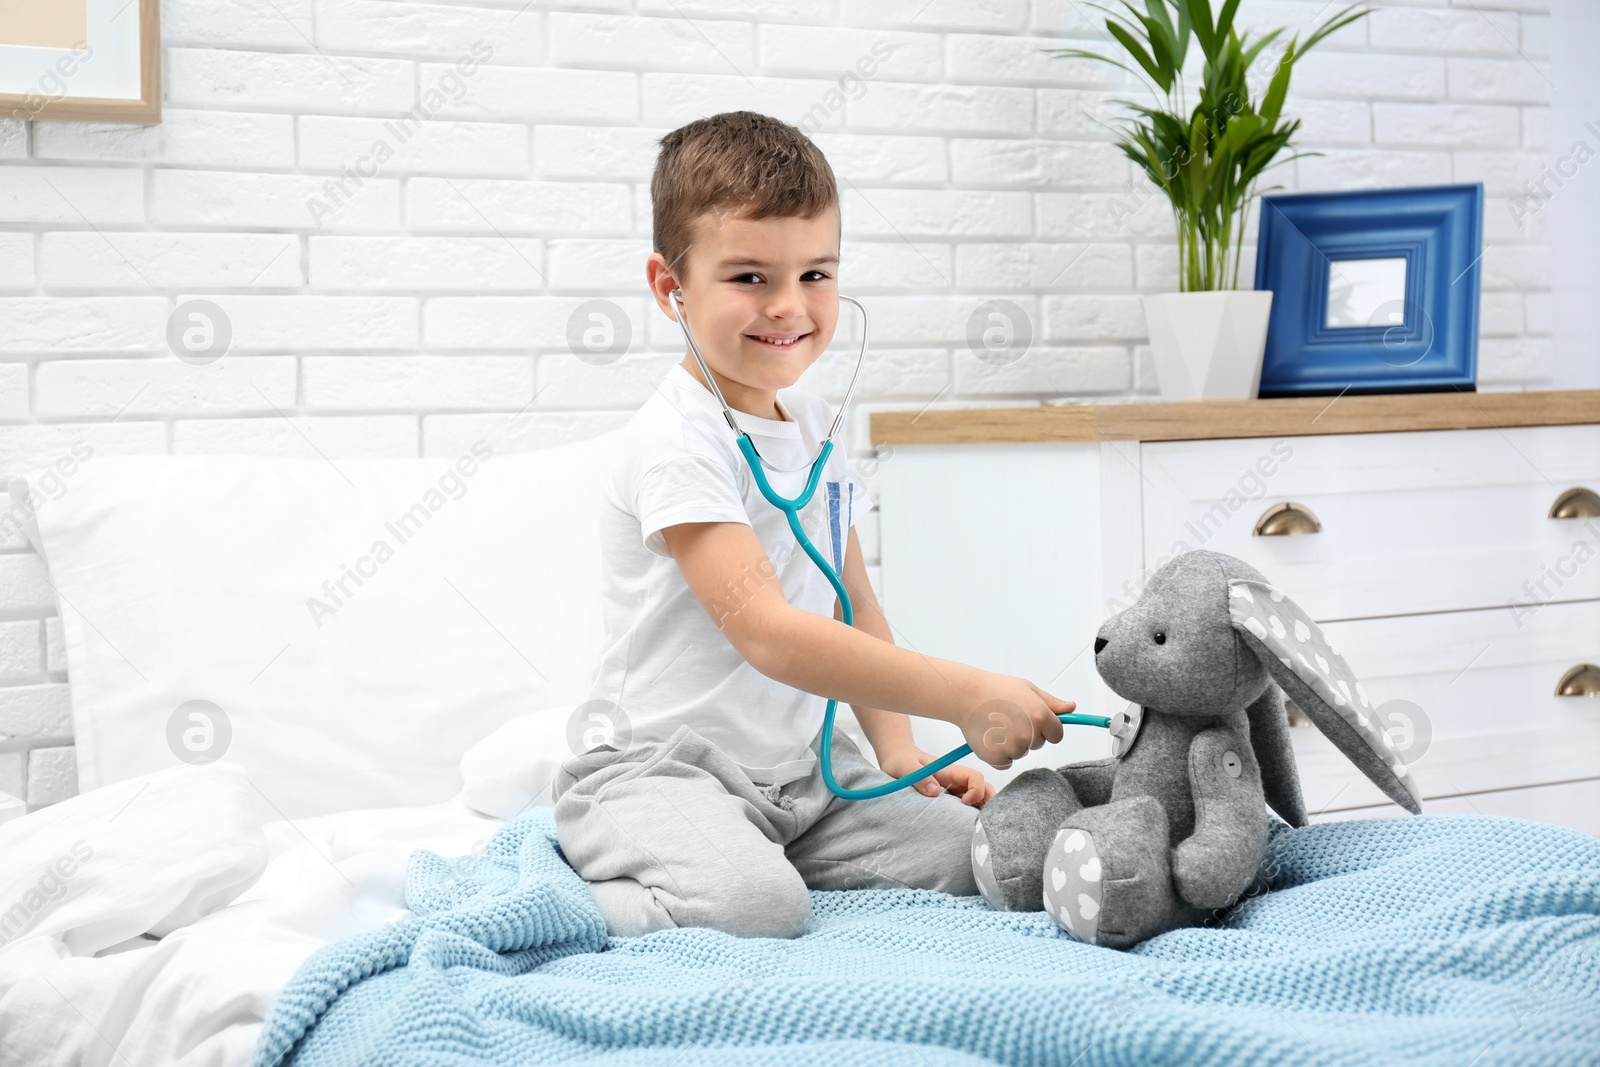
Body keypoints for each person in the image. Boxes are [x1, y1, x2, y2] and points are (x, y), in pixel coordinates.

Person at [552, 110, 1077, 940]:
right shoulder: (676, 440)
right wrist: (966, 693)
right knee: (757, 907)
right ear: (670, 288)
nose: (789, 307)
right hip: (659, 772)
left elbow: (851, 598)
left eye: (817, 275)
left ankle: (754, 847)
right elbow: (768, 631)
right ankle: (566, 900)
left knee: (979, 853)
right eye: (750, 277)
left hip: (805, 778)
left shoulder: (810, 420)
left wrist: (900, 753)